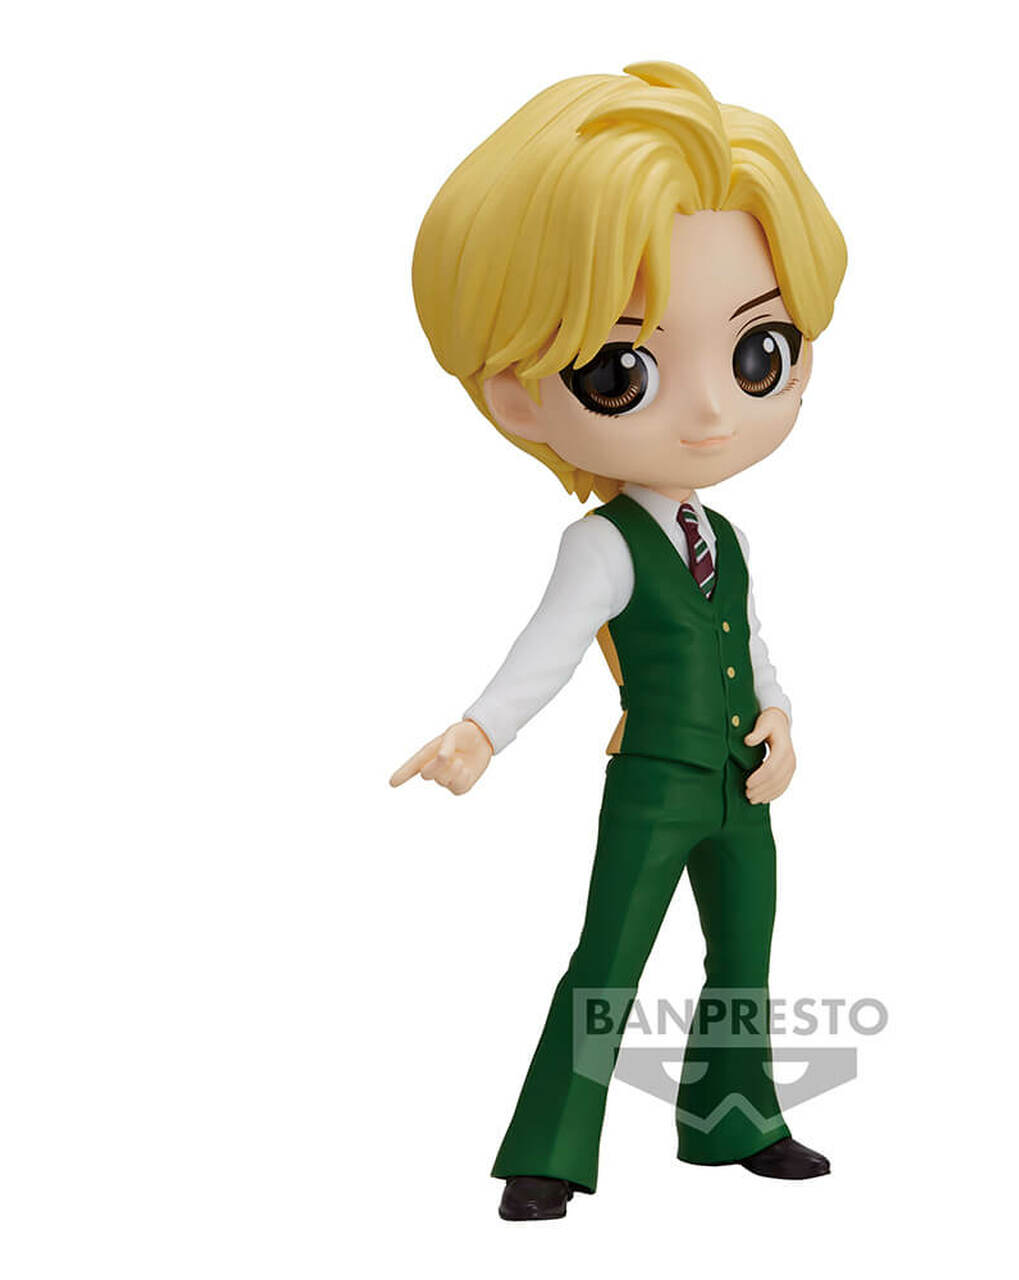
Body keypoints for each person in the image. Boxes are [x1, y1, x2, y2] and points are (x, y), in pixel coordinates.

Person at [390, 61, 847, 1221]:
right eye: (622, 368)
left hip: (739, 781)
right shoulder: (602, 544)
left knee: (742, 956)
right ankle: (546, 1150)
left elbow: (750, 639)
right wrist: (480, 729)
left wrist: (780, 719)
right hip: (652, 780)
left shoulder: (723, 534)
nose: (710, 411)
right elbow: (546, 647)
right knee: (609, 958)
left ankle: (737, 1117)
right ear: (517, 394)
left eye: (757, 353)